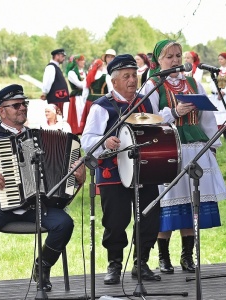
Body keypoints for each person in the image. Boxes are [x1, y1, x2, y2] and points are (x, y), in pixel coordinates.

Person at [0, 84, 85, 298]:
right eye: (16, 105)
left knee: (64, 223)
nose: (22, 108)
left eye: (24, 104)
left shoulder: (37, 135)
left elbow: (60, 177)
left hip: (36, 205)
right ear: (2, 111)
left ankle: (42, 269)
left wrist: (78, 176)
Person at [140, 40, 226, 274]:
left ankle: (187, 256)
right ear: (159, 60)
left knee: (192, 202)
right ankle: (163, 257)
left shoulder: (193, 82)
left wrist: (212, 143)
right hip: (169, 149)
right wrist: (172, 113)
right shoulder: (152, 85)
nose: (175, 61)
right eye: (169, 57)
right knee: (168, 201)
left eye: (178, 56)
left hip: (195, 147)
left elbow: (207, 117)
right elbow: (146, 119)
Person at [81, 54, 161, 285]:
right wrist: (105, 142)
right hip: (112, 171)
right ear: (113, 81)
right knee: (115, 221)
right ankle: (114, 264)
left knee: (149, 216)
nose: (132, 80)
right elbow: (87, 140)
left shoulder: (146, 101)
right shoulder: (101, 107)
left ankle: (141, 262)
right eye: (126, 76)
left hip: (145, 170)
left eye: (134, 75)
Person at [79, 58, 110, 131]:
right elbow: (111, 90)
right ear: (101, 66)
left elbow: (85, 93)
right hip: (102, 101)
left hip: (90, 101)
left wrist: (85, 102)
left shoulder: (88, 77)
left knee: (90, 122)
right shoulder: (106, 77)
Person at [41, 48, 70, 119]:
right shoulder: (51, 67)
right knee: (55, 118)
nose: (64, 58)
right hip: (56, 98)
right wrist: (45, 92)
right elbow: (48, 81)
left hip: (59, 98)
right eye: (62, 56)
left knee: (59, 118)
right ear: (57, 56)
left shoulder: (56, 67)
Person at [66, 54, 86, 135]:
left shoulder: (84, 72)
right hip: (77, 96)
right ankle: (77, 129)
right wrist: (88, 83)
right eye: (82, 60)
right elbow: (79, 84)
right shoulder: (72, 73)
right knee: (78, 112)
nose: (84, 62)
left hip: (84, 95)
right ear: (77, 61)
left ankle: (84, 128)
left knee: (84, 112)